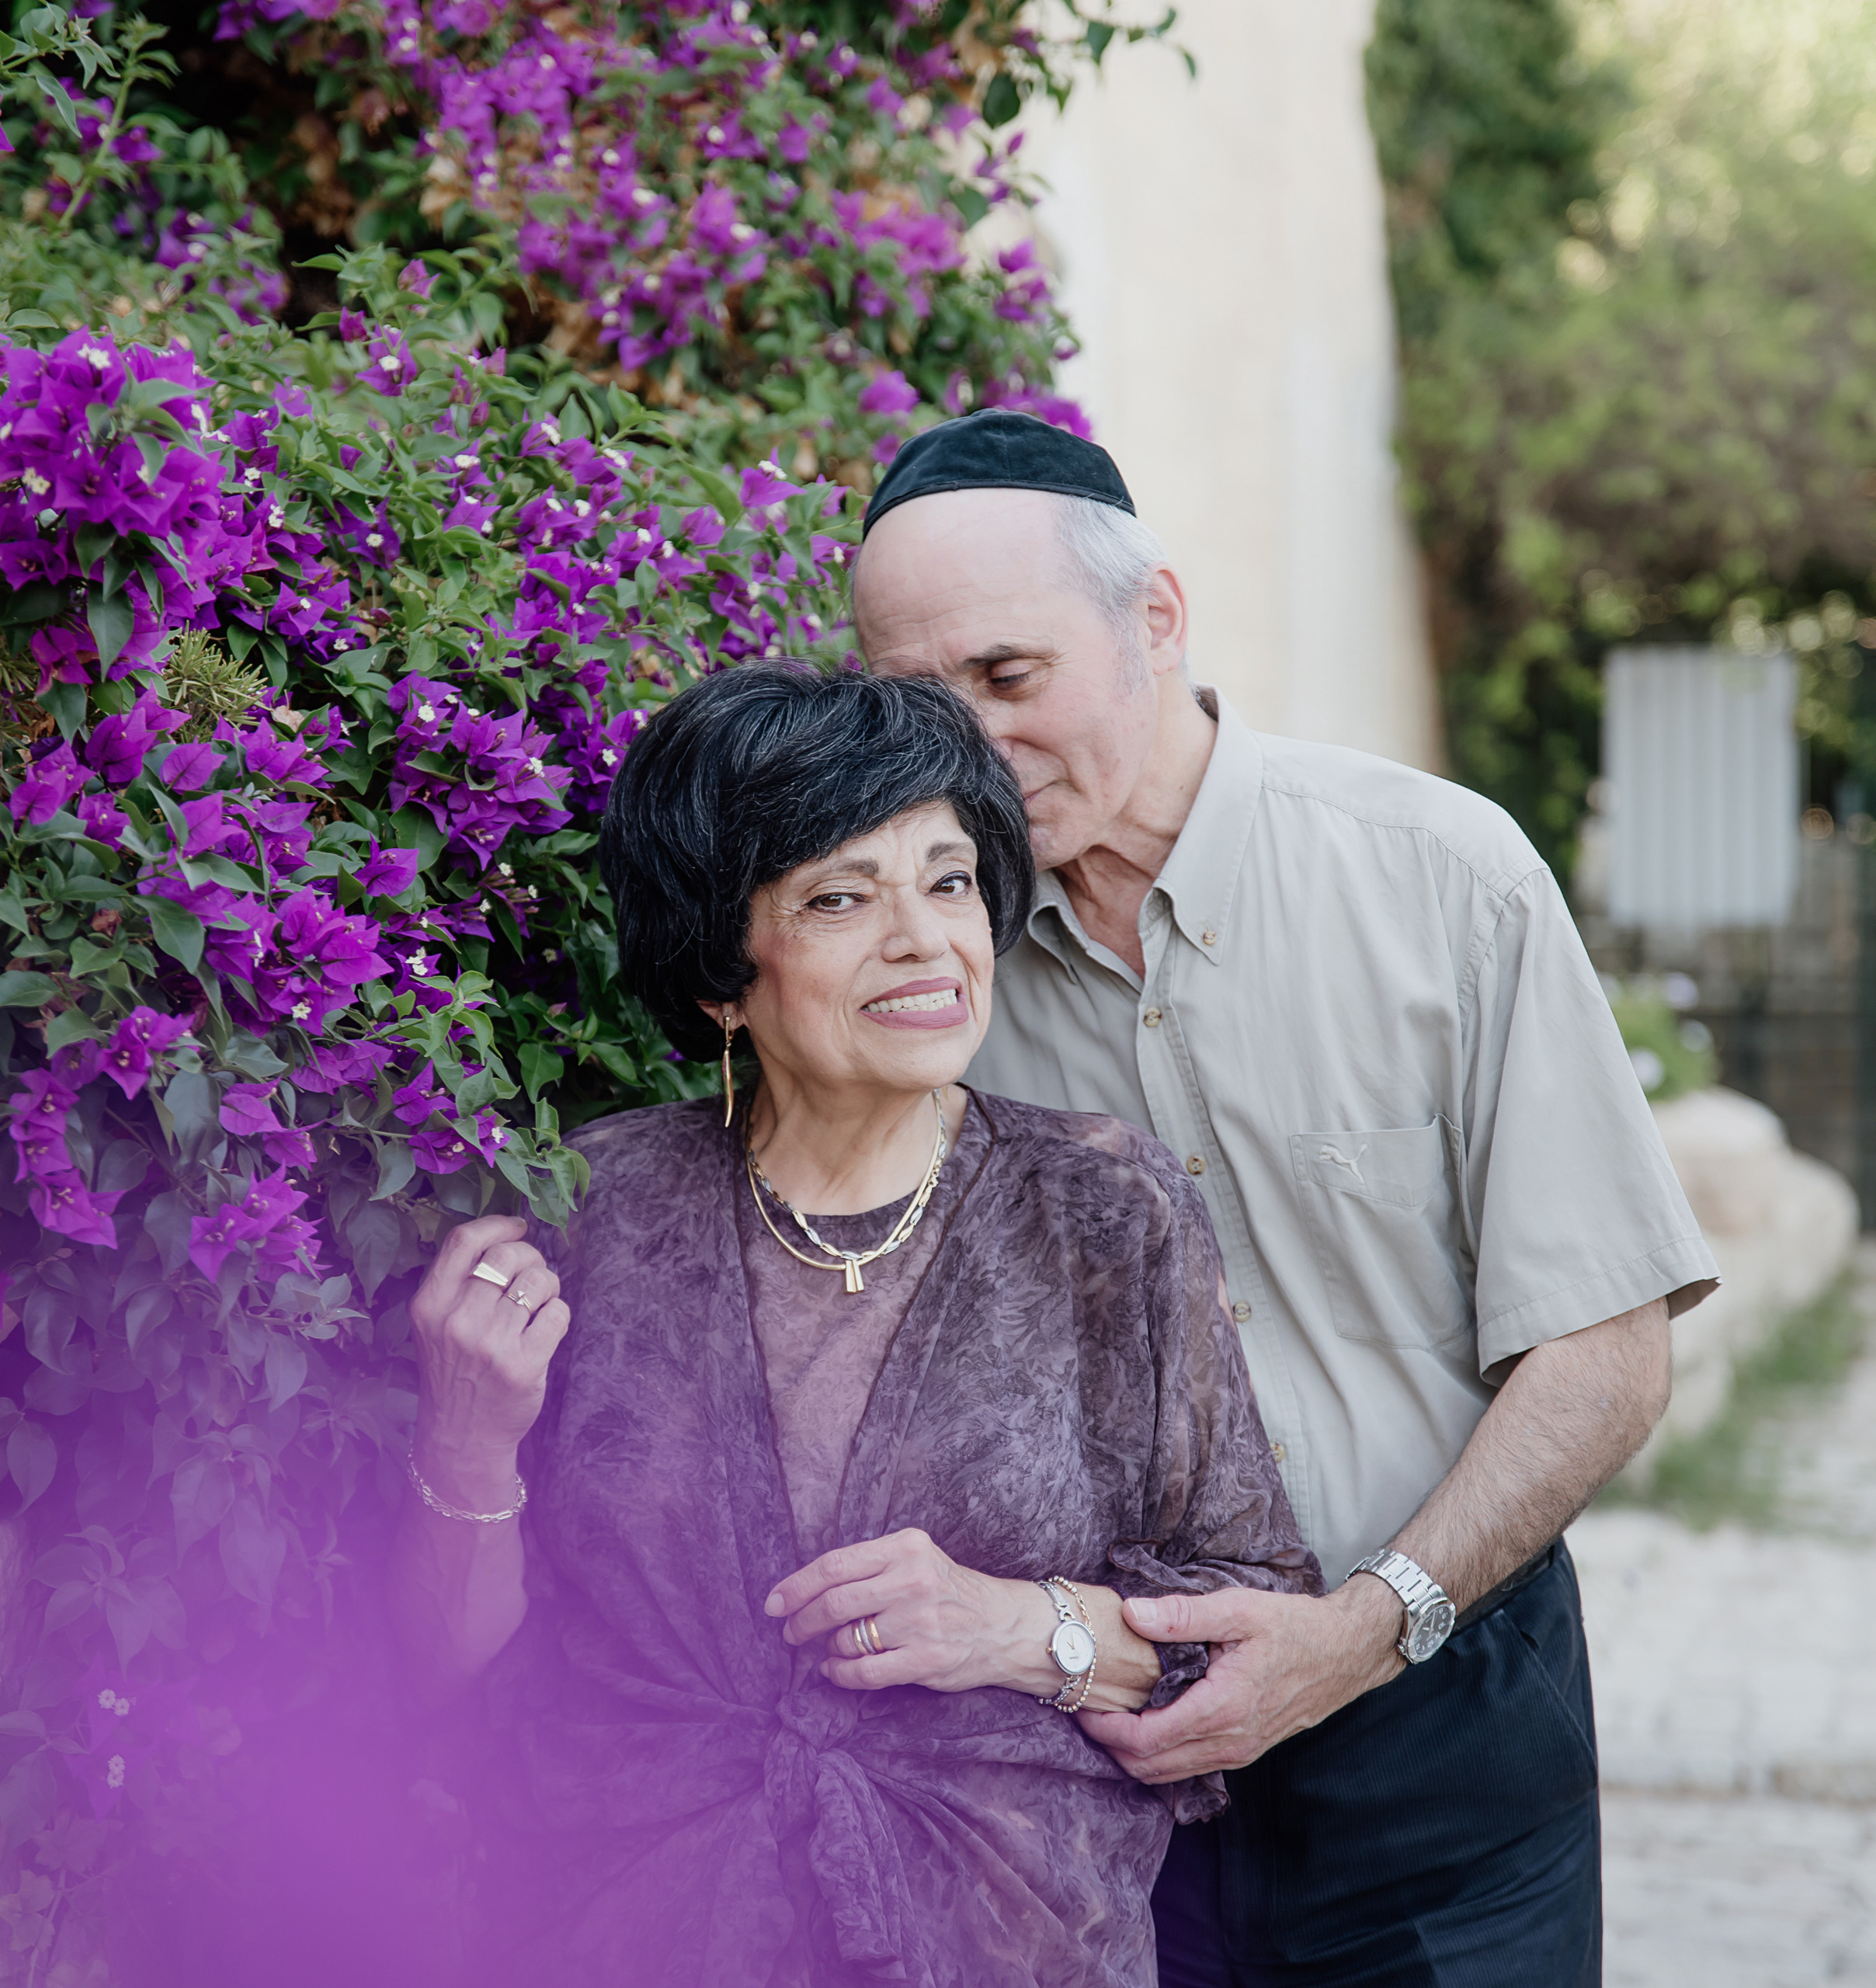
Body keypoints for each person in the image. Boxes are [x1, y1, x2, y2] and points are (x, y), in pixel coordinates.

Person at [853, 409, 1721, 1987]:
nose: (966, 748)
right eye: (916, 703)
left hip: (1443, 1711)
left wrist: (1366, 1627)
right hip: (1094, 1759)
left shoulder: (1445, 878)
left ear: (1156, 619)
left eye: (1008, 675)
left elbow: (1605, 1347)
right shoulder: (922, 971)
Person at [387, 665, 1322, 1987]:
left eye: (949, 882)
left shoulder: (1106, 1209)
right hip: (622, 1933)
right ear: (721, 976)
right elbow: (449, 1672)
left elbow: (1249, 1636)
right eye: (840, 897)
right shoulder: (593, 1210)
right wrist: (468, 1441)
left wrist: (1012, 1628)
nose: (924, 939)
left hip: (1009, 1944)